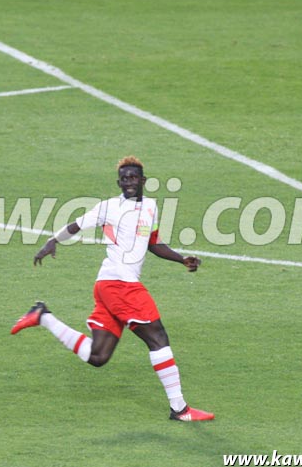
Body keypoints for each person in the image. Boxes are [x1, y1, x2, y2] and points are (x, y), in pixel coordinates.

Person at [11, 156, 214, 422]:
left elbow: (152, 242)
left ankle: (43, 316)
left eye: (133, 177)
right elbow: (77, 224)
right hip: (120, 284)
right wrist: (53, 240)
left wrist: (180, 259)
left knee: (98, 356)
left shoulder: (151, 207)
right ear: (118, 182)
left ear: (143, 181)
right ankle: (180, 409)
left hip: (110, 285)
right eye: (124, 178)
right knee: (158, 338)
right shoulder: (109, 207)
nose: (128, 182)